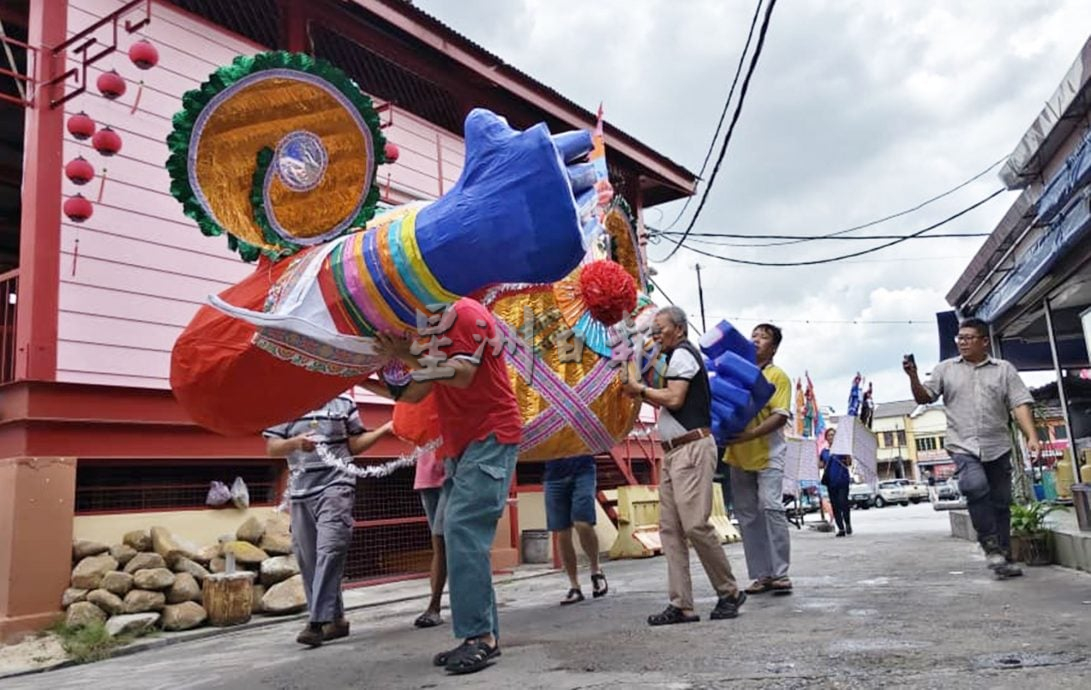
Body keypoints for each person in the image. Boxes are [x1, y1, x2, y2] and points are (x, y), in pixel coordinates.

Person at [376, 297, 522, 675]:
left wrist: (407, 355)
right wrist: (366, 370)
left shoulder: (465, 314)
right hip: (462, 445)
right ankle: (483, 633)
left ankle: (480, 637)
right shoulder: (434, 333)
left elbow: (462, 373)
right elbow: (413, 394)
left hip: (490, 435)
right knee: (460, 534)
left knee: (461, 528)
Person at [622, 305, 745, 626]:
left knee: (694, 526)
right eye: (652, 330)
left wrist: (640, 390)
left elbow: (675, 399)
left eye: (659, 329)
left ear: (678, 328)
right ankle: (681, 604)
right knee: (671, 530)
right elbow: (667, 397)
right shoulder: (673, 358)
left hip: (690, 449)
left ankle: (729, 592)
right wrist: (640, 391)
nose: (655, 335)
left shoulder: (682, 356)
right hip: (674, 452)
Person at [903, 317, 1038, 578]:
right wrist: (913, 377)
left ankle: (1004, 556)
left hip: (997, 445)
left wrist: (1031, 436)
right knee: (975, 486)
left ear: (984, 341)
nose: (962, 343)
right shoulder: (945, 369)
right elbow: (924, 397)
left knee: (1001, 502)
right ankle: (990, 545)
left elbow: (1020, 403)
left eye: (968, 338)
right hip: (962, 445)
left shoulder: (1004, 370)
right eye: (960, 338)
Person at [263, 393, 393, 647]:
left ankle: (316, 622)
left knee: (330, 547)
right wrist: (295, 443)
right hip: (301, 492)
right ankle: (336, 620)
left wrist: (383, 430)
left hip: (337, 484)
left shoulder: (344, 402)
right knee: (310, 559)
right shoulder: (284, 400)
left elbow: (354, 444)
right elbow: (272, 448)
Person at [723, 323, 794, 596]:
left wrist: (749, 434)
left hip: (768, 453)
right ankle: (762, 575)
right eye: (753, 335)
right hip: (738, 454)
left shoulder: (778, 377)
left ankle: (780, 573)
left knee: (770, 507)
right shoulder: (737, 372)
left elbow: (780, 416)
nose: (756, 340)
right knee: (747, 516)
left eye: (763, 337)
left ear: (773, 348)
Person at [543, 455, 607, 604]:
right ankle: (574, 585)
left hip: (583, 467)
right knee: (562, 530)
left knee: (582, 523)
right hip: (553, 473)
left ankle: (596, 569)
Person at [414, 448, 449, 627]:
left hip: (452, 473)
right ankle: (435, 606)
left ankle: (434, 606)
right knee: (439, 544)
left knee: (440, 538)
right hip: (426, 474)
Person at [819, 428, 853, 537]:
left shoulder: (842, 449)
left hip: (843, 480)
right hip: (831, 482)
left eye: (833, 435)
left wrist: (847, 454)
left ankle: (847, 523)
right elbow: (820, 465)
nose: (831, 437)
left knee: (843, 502)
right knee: (835, 505)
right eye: (829, 435)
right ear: (826, 438)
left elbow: (849, 463)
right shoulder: (824, 452)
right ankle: (841, 528)